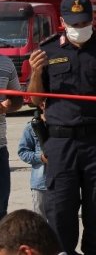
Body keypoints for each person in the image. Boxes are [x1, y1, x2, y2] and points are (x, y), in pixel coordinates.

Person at [26, 0, 96, 255]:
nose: (79, 29)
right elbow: (34, 99)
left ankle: (95, 250)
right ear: (62, 22)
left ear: (91, 20)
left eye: (84, 23)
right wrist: (36, 72)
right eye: (74, 24)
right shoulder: (47, 50)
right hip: (61, 142)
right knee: (60, 205)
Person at [0, 56, 23, 220]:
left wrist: (8, 105)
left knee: (1, 208)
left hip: (0, 147)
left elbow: (17, 99)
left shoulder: (6, 63)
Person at [17, 110, 46, 216]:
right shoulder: (32, 127)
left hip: (62, 182)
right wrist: (40, 158)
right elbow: (23, 152)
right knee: (40, 222)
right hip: (41, 184)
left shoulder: (65, 126)